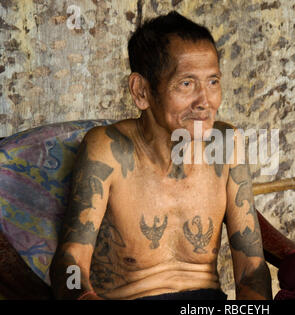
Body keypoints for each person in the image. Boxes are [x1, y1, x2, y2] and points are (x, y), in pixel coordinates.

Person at [49, 11, 272, 300]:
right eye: (187, 84)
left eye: (213, 81)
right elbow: (70, 261)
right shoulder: (108, 149)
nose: (205, 101)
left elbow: (251, 268)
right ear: (141, 91)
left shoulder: (226, 145)